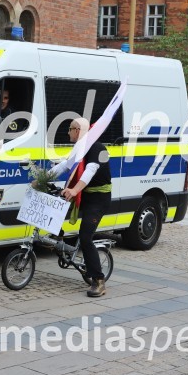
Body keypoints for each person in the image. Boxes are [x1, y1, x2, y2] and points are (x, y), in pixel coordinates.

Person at [48, 118, 112, 297]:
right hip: (85, 195)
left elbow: (90, 170)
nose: (68, 133)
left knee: (85, 236)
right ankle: (58, 241)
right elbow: (64, 166)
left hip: (98, 199)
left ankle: (99, 281)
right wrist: (42, 180)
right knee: (55, 207)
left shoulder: (98, 148)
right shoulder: (80, 148)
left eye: (69, 129)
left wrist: (75, 190)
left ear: (77, 130)